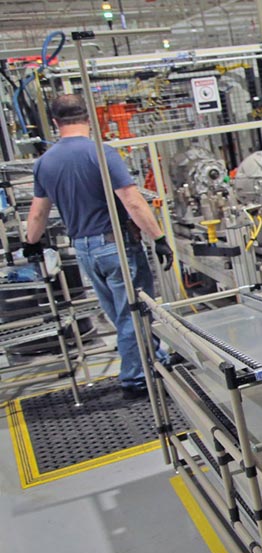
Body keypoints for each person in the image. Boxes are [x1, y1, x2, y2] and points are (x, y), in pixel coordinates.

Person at [24, 94, 174, 399]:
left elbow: (38, 213)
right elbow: (132, 201)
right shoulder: (101, 153)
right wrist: (158, 238)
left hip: (84, 250)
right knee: (133, 311)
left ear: (55, 123)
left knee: (120, 314)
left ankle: (153, 358)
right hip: (116, 246)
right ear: (88, 118)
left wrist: (31, 243)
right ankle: (134, 378)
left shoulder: (44, 162)